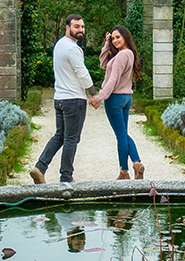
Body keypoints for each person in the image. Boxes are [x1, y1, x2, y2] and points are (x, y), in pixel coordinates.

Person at [29, 15, 96, 184]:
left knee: (60, 135)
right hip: (73, 99)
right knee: (71, 139)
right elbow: (82, 73)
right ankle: (66, 177)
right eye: (76, 27)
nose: (80, 30)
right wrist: (94, 94)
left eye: (82, 26)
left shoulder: (59, 45)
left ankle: (40, 167)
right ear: (68, 28)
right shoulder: (73, 49)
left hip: (59, 98)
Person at [89, 25, 144, 180]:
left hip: (115, 99)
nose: (115, 40)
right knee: (123, 134)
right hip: (126, 98)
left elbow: (113, 80)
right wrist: (106, 45)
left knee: (121, 136)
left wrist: (100, 97)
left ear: (126, 36)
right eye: (112, 38)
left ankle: (124, 172)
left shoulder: (121, 56)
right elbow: (103, 65)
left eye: (118, 37)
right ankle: (137, 164)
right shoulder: (128, 54)